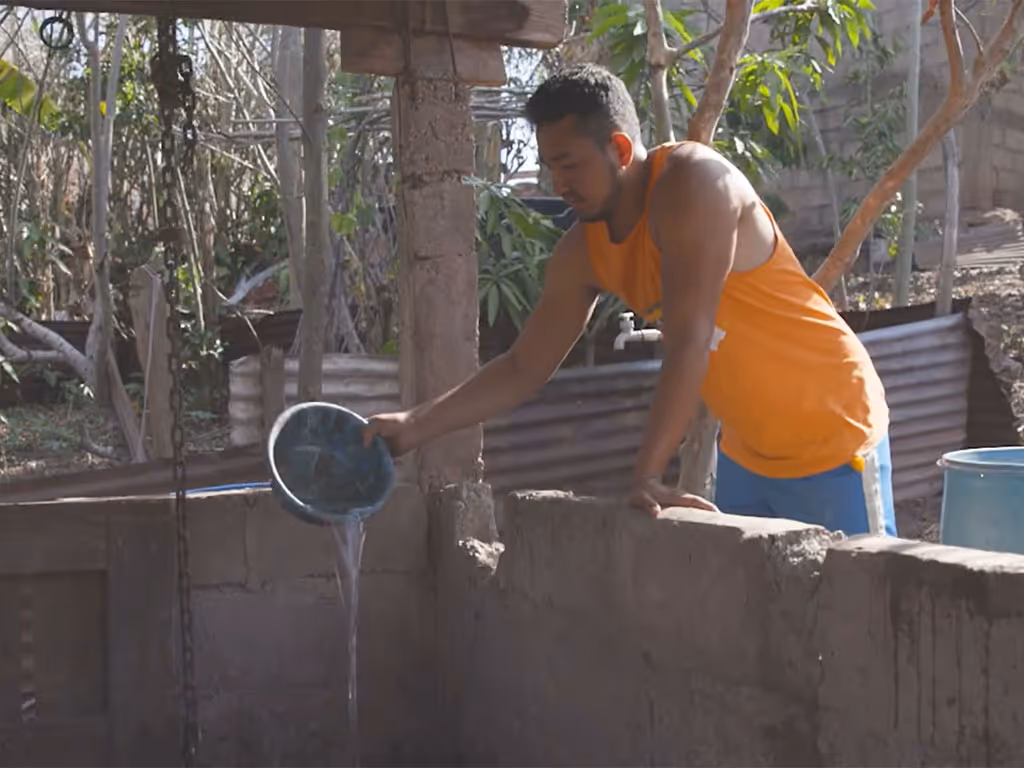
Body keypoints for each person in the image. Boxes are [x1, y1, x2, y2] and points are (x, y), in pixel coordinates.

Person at [364, 63, 896, 537]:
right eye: (551, 167)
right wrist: (414, 426)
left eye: (570, 164)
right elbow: (524, 366)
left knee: (858, 611)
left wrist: (647, 474)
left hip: (833, 433)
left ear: (619, 150)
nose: (559, 183)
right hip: (748, 454)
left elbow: (690, 341)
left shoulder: (695, 185)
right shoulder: (583, 252)